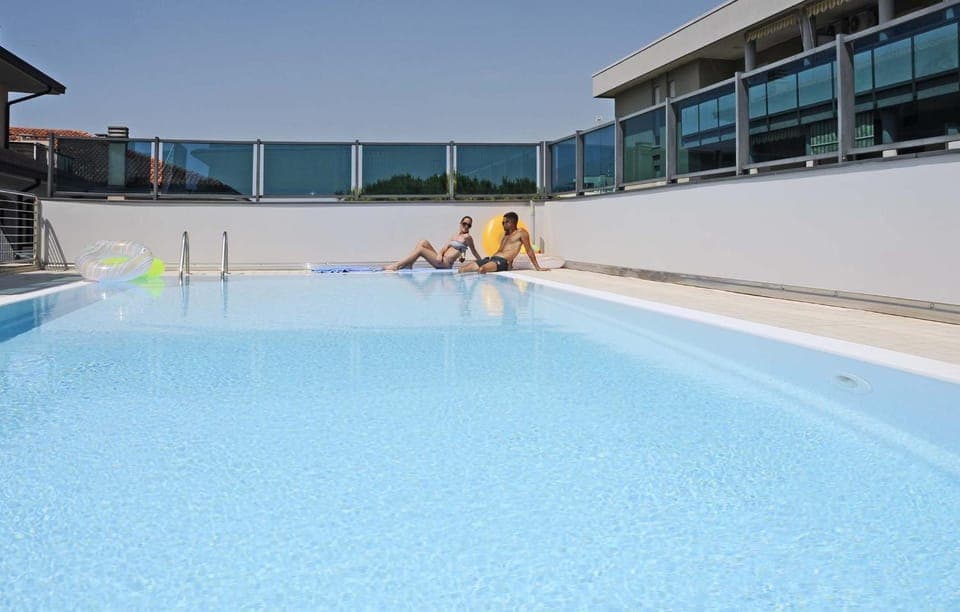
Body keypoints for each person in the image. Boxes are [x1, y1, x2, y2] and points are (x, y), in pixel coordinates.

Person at [459, 211, 546, 274]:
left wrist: (537, 267)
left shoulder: (521, 233)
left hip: (502, 262)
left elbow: (529, 250)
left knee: (482, 270)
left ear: (511, 222)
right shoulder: (506, 235)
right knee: (462, 270)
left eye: (504, 222)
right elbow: (507, 249)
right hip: (491, 259)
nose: (502, 224)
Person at [383, 216, 482, 271]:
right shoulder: (454, 236)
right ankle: (410, 265)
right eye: (464, 223)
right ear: (460, 224)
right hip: (441, 259)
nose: (466, 226)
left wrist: (482, 262)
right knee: (423, 242)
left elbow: (474, 252)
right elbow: (444, 248)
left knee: (421, 250)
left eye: (469, 225)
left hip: (446, 264)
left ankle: (396, 266)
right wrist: (439, 254)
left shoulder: (468, 238)